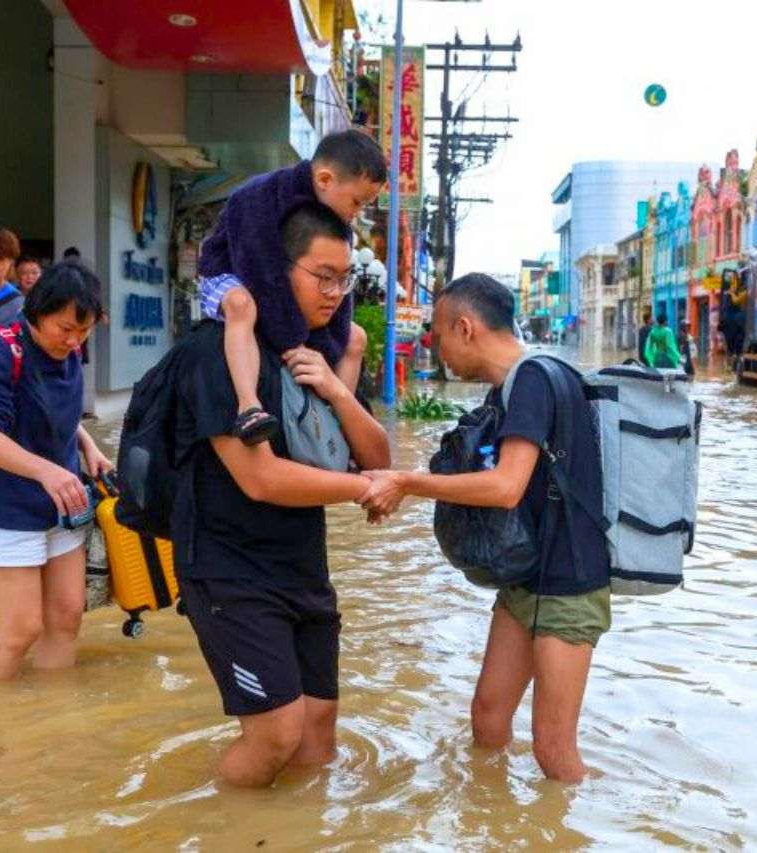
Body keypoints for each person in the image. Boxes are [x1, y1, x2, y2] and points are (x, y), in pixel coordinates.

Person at [359, 273, 611, 783]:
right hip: (528, 579)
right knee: (489, 718)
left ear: (466, 327)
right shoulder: (513, 386)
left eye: (437, 333)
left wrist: (408, 481)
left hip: (570, 586)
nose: (436, 347)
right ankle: (491, 818)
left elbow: (504, 487)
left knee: (553, 750)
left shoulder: (535, 381)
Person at [174, 202, 390, 787]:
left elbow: (378, 457)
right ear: (275, 265)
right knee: (275, 733)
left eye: (344, 279)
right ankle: (227, 830)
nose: (335, 292)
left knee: (318, 731)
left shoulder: (314, 354)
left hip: (301, 567)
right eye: (323, 276)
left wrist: (338, 393)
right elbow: (259, 477)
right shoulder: (216, 350)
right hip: (229, 570)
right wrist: (364, 490)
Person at [0, 259, 112, 680]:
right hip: (6, 509)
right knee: (21, 629)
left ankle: (53, 722)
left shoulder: (69, 350)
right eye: (65, 328)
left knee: (66, 619)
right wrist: (47, 472)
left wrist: (88, 447)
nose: (75, 339)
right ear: (37, 310)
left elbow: (55, 415)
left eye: (84, 330)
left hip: (63, 504)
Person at [196, 130, 386, 446]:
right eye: (357, 202)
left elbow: (342, 291)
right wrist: (295, 341)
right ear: (325, 179)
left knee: (355, 337)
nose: (357, 213)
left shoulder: (337, 219)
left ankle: (334, 426)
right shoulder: (258, 197)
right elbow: (262, 273)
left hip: (275, 284)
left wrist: (326, 352)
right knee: (243, 306)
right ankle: (249, 406)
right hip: (228, 273)